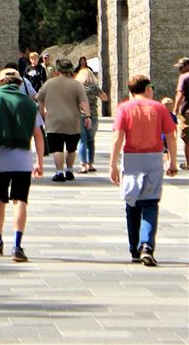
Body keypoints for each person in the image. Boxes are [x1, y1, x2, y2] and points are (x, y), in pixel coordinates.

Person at [0, 68, 45, 262]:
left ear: (0, 82)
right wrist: (39, 162)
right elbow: (38, 136)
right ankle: (17, 245)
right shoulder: (28, 104)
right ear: (19, 84)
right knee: (20, 201)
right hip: (23, 161)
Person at [110, 74, 178, 265]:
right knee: (150, 205)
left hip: (131, 160)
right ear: (148, 88)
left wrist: (112, 165)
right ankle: (147, 245)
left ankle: (134, 249)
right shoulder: (159, 108)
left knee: (131, 204)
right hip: (153, 159)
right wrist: (172, 162)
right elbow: (171, 137)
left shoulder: (124, 108)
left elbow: (118, 137)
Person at [37, 58, 91, 182]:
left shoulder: (49, 83)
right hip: (72, 121)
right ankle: (70, 171)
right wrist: (87, 116)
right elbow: (84, 101)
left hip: (54, 121)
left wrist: (42, 115)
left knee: (57, 148)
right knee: (71, 148)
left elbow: (40, 99)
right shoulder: (76, 84)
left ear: (58, 70)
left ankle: (59, 172)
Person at [75, 65, 107, 172]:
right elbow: (105, 98)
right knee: (91, 141)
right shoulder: (94, 87)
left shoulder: (77, 87)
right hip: (93, 115)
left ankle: (83, 165)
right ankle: (90, 164)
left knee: (82, 141)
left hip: (79, 116)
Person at [172, 58, 189, 169]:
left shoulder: (184, 77)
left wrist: (175, 109)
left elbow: (180, 94)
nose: (179, 69)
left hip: (187, 111)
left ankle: (188, 164)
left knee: (187, 138)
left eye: (181, 66)